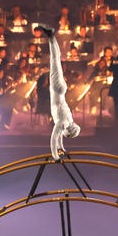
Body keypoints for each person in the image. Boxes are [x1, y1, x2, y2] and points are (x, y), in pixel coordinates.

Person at [36, 24, 81, 160]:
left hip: (60, 89)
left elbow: (58, 138)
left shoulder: (67, 122)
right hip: (57, 89)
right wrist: (55, 156)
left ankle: (51, 37)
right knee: (54, 60)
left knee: (56, 59)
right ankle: (51, 37)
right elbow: (54, 138)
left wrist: (61, 149)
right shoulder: (64, 123)